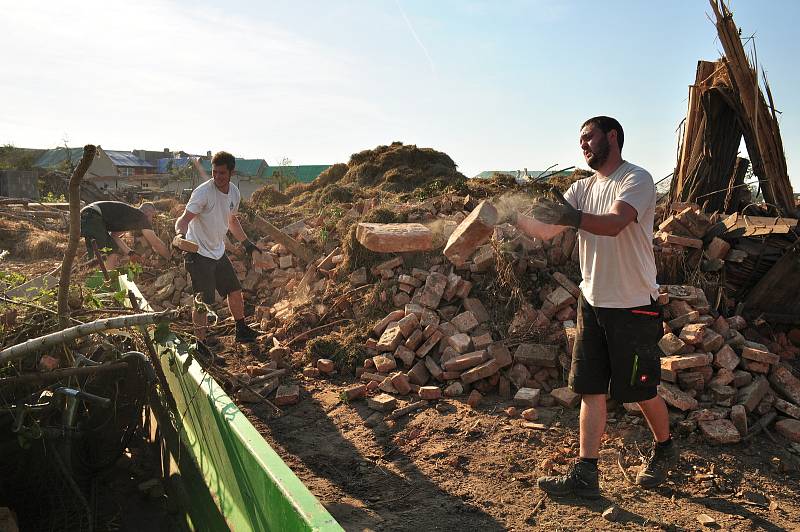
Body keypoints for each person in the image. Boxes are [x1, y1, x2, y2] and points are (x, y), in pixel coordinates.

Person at [508, 116, 676, 498]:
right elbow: (548, 230)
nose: (583, 146)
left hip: (634, 305)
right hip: (593, 301)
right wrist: (512, 218)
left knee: (641, 391)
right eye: (580, 140)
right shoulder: (580, 188)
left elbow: (616, 223)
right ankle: (586, 474)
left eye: (589, 138)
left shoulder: (637, 179)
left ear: (612, 137)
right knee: (591, 389)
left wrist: (572, 216)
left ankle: (665, 448)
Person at [174, 151, 261, 347]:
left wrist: (248, 244)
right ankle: (201, 344)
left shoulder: (234, 193)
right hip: (197, 253)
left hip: (217, 251)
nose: (217, 177)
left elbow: (231, 220)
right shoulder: (203, 193)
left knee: (235, 290)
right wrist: (180, 236)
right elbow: (184, 220)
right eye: (214, 172)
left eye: (222, 173)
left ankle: (241, 330)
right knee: (202, 301)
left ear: (231, 172)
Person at [80, 200, 171, 269]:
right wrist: (170, 258)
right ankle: (108, 285)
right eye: (153, 216)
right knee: (112, 250)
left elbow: (114, 236)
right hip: (93, 216)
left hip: (85, 216)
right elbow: (156, 243)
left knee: (95, 255)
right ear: (148, 213)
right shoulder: (141, 217)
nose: (151, 220)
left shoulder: (129, 216)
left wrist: (130, 253)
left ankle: (88, 280)